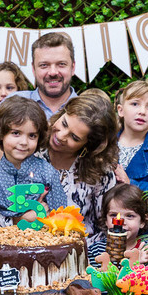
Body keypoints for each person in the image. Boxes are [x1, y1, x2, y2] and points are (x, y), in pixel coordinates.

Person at [0, 96, 65, 230]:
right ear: (1, 133)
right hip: (4, 240)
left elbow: (60, 215)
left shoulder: (48, 173)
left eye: (32, 135)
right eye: (16, 133)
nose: (24, 142)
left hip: (44, 239)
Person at [42, 93, 119, 234]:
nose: (61, 136)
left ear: (89, 146)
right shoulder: (31, 147)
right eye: (64, 123)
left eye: (74, 137)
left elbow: (104, 228)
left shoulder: (100, 173)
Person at [87, 184, 148, 295]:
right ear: (106, 220)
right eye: (113, 215)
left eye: (130, 216)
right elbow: (94, 290)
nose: (120, 221)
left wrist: (139, 267)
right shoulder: (96, 251)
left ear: (143, 221)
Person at [12, 32, 78, 116]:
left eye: (61, 64)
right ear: (33, 69)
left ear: (73, 68)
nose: (53, 72)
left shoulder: (89, 111)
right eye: (44, 65)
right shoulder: (13, 104)